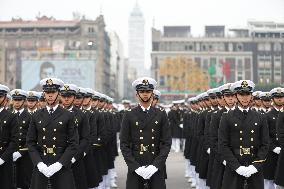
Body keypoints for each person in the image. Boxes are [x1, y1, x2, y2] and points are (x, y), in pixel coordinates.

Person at [26, 77, 79, 189]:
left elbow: (73, 143)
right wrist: (39, 163)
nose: (50, 95)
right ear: (44, 94)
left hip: (60, 163)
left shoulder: (68, 115)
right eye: (47, 92)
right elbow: (30, 142)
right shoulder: (36, 115)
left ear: (58, 94)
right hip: (42, 163)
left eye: (53, 92)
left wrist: (60, 164)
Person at [120, 77, 171, 189]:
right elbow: (124, 144)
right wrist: (135, 167)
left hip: (155, 163)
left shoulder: (161, 114)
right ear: (137, 95)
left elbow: (166, 143)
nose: (145, 94)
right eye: (142, 91)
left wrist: (155, 166)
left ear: (152, 94)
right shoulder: (129, 115)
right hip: (136, 164)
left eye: (148, 91)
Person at [218, 80, 269, 189]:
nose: (245, 97)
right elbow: (223, 144)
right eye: (241, 94)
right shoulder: (227, 117)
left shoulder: (260, 117)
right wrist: (237, 167)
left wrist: (255, 166)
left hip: (254, 164)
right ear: (236, 96)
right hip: (235, 165)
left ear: (251, 96)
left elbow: (265, 144)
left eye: (248, 94)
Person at [0, 84, 17, 189]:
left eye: (0, 96)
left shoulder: (11, 116)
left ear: (5, 98)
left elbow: (14, 141)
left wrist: (2, 159)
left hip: (4, 160)